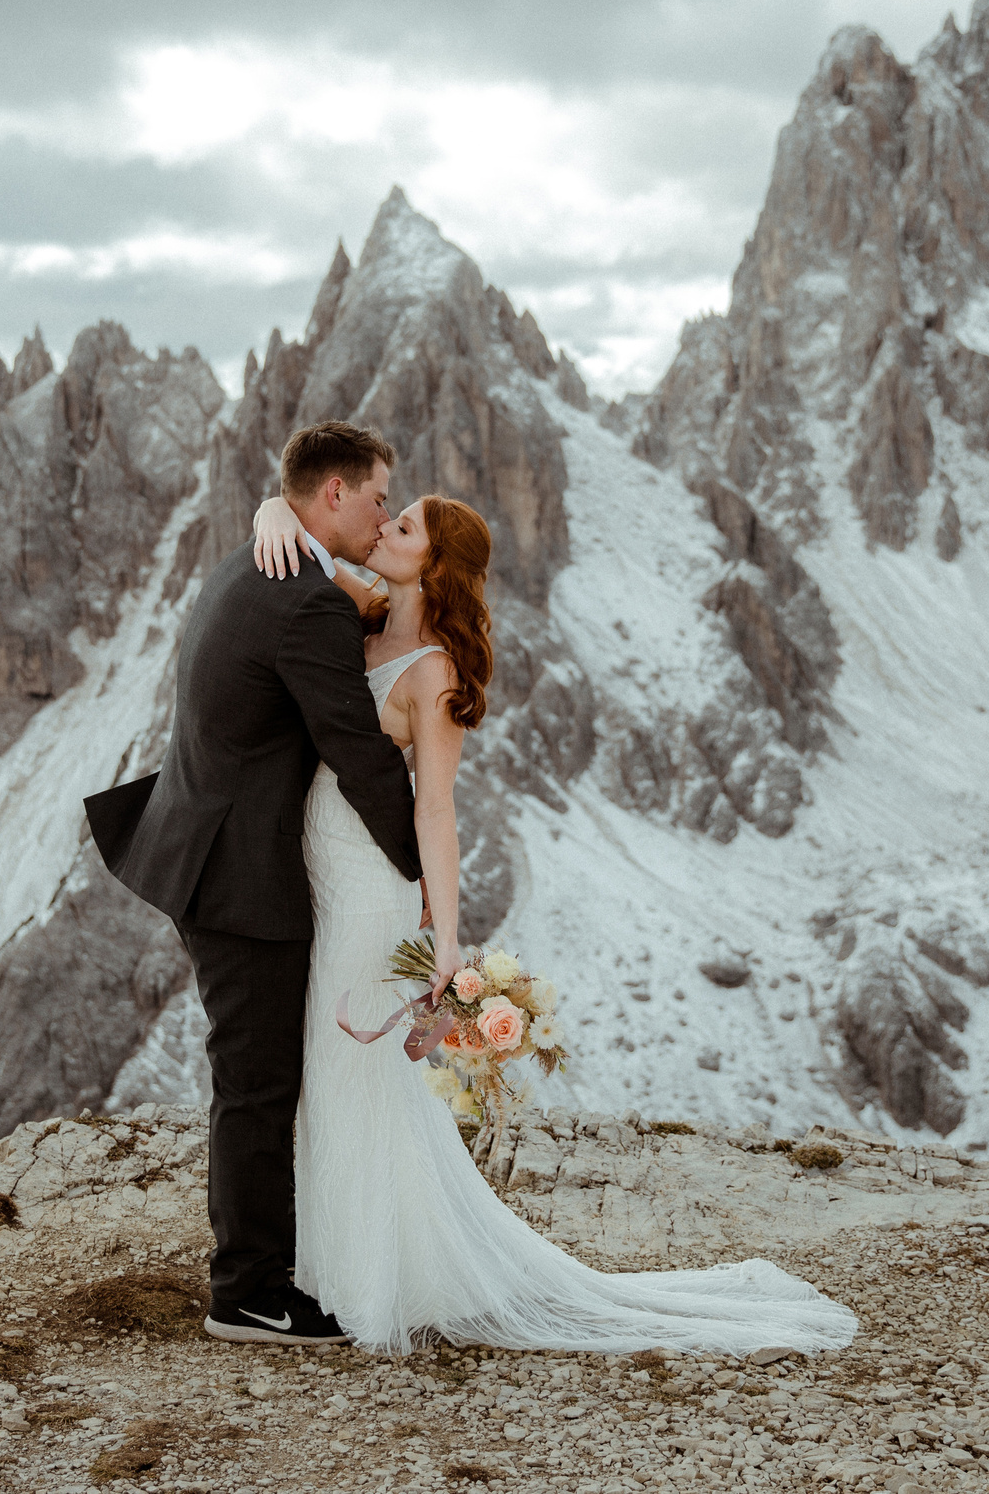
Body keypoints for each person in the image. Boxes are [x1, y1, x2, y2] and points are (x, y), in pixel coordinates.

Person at [239, 480, 859, 1357]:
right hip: (320, 871)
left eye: (404, 526)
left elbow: (436, 809)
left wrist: (447, 940)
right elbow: (302, 544)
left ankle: (362, 1279)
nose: (383, 527)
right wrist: (271, 507)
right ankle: (330, 1263)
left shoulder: (435, 673)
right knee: (324, 1062)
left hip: (369, 885)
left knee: (350, 1067)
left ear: (435, 564)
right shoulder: (363, 616)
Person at [85, 421, 417, 1347]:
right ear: (335, 493)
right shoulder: (304, 597)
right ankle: (248, 1293)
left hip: (205, 845)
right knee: (258, 1083)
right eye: (379, 496)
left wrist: (273, 506)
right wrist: (425, 871)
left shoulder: (256, 561)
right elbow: (358, 751)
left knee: (254, 1075)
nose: (385, 513)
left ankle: (262, 1273)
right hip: (239, 875)